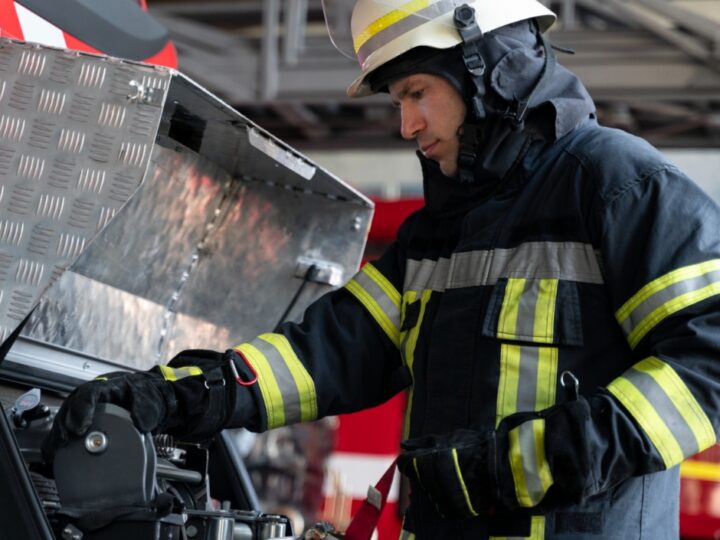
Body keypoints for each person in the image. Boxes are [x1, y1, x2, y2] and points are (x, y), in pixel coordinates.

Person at [46, 1, 720, 538]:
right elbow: (323, 356)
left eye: (417, 92)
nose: (406, 124)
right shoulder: (438, 238)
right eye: (398, 100)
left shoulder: (618, 186)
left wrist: (526, 464)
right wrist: (179, 396)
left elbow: (709, 361)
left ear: (489, 67)